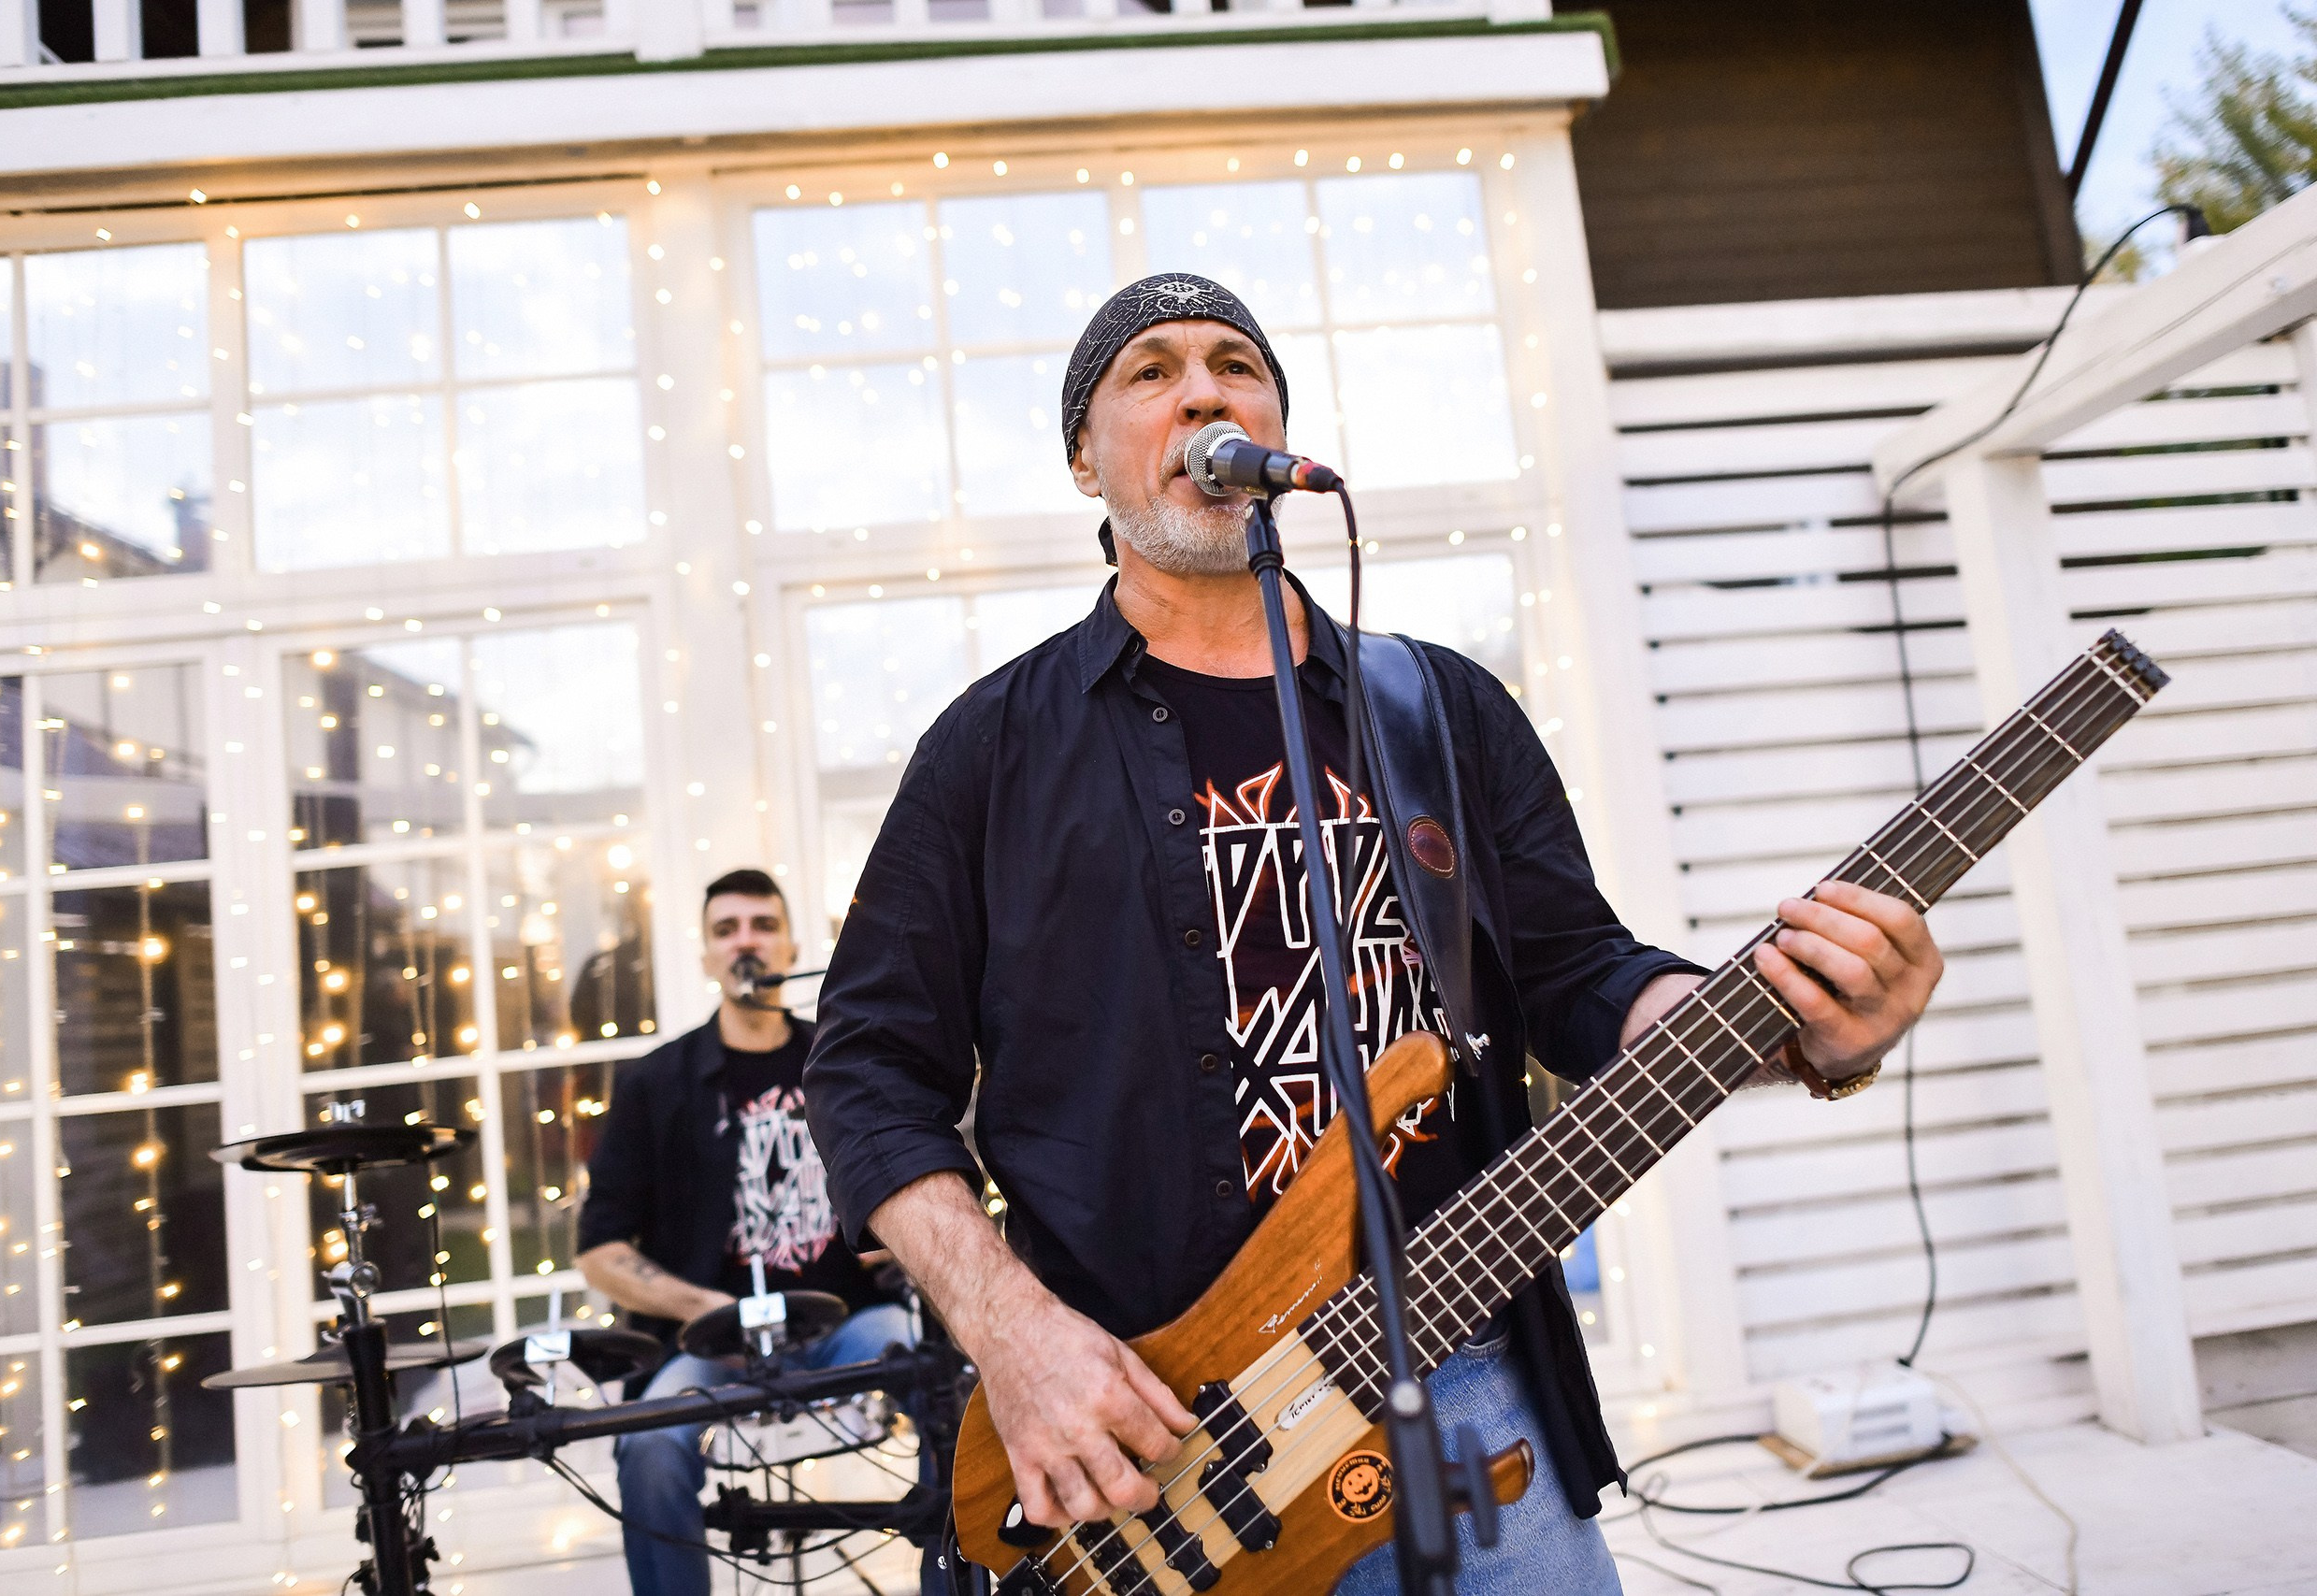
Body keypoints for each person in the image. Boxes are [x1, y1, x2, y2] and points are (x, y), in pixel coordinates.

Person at [802, 274, 1943, 1594]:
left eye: (1237, 363)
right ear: (1083, 459)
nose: (1205, 389)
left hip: (1472, 1375)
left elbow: (1581, 977)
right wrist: (1014, 1330)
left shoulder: (1438, 707)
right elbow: (870, 1070)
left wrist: (1795, 1028)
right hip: (1158, 1430)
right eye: (1150, 370)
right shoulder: (992, 749)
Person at [579, 869, 910, 1596]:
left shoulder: (844, 1059)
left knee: (955, 1389)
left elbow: (902, 1176)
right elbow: (600, 1249)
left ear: (790, 945)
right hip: (713, 1345)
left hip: (849, 1324)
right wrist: (702, 1310)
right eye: (726, 930)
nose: (745, 942)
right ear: (706, 957)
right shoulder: (654, 1083)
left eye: (761, 924)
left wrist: (901, 1229)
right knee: (649, 1446)